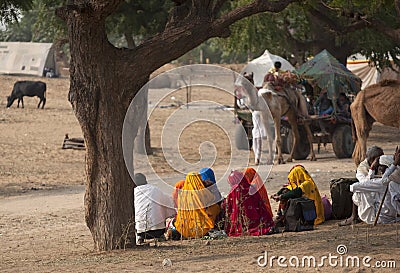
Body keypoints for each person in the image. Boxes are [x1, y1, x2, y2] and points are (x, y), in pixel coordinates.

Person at [338, 145, 384, 226]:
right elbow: (364, 184)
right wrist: (372, 169)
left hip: (379, 191)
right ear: (373, 159)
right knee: (358, 191)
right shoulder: (362, 168)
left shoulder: (382, 164)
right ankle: (353, 216)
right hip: (368, 192)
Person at [347, 154, 399, 225]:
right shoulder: (394, 179)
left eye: (381, 166)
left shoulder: (382, 182)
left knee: (358, 192)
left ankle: (353, 217)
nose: (379, 168)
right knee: (370, 191)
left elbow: (354, 187)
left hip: (379, 219)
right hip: (391, 217)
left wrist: (371, 169)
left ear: (385, 168)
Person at [222, 170, 275, 236]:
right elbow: (260, 204)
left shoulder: (234, 191)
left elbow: (228, 206)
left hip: (240, 223)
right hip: (257, 219)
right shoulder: (252, 188)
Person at [134, 173, 176, 245]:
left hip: (141, 232)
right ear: (145, 180)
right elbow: (168, 202)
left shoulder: (134, 192)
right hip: (158, 231)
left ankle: (140, 239)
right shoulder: (154, 189)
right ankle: (160, 236)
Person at [175, 172, 221, 239]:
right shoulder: (204, 193)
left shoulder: (182, 195)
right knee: (215, 208)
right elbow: (213, 202)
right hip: (203, 229)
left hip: (184, 229)